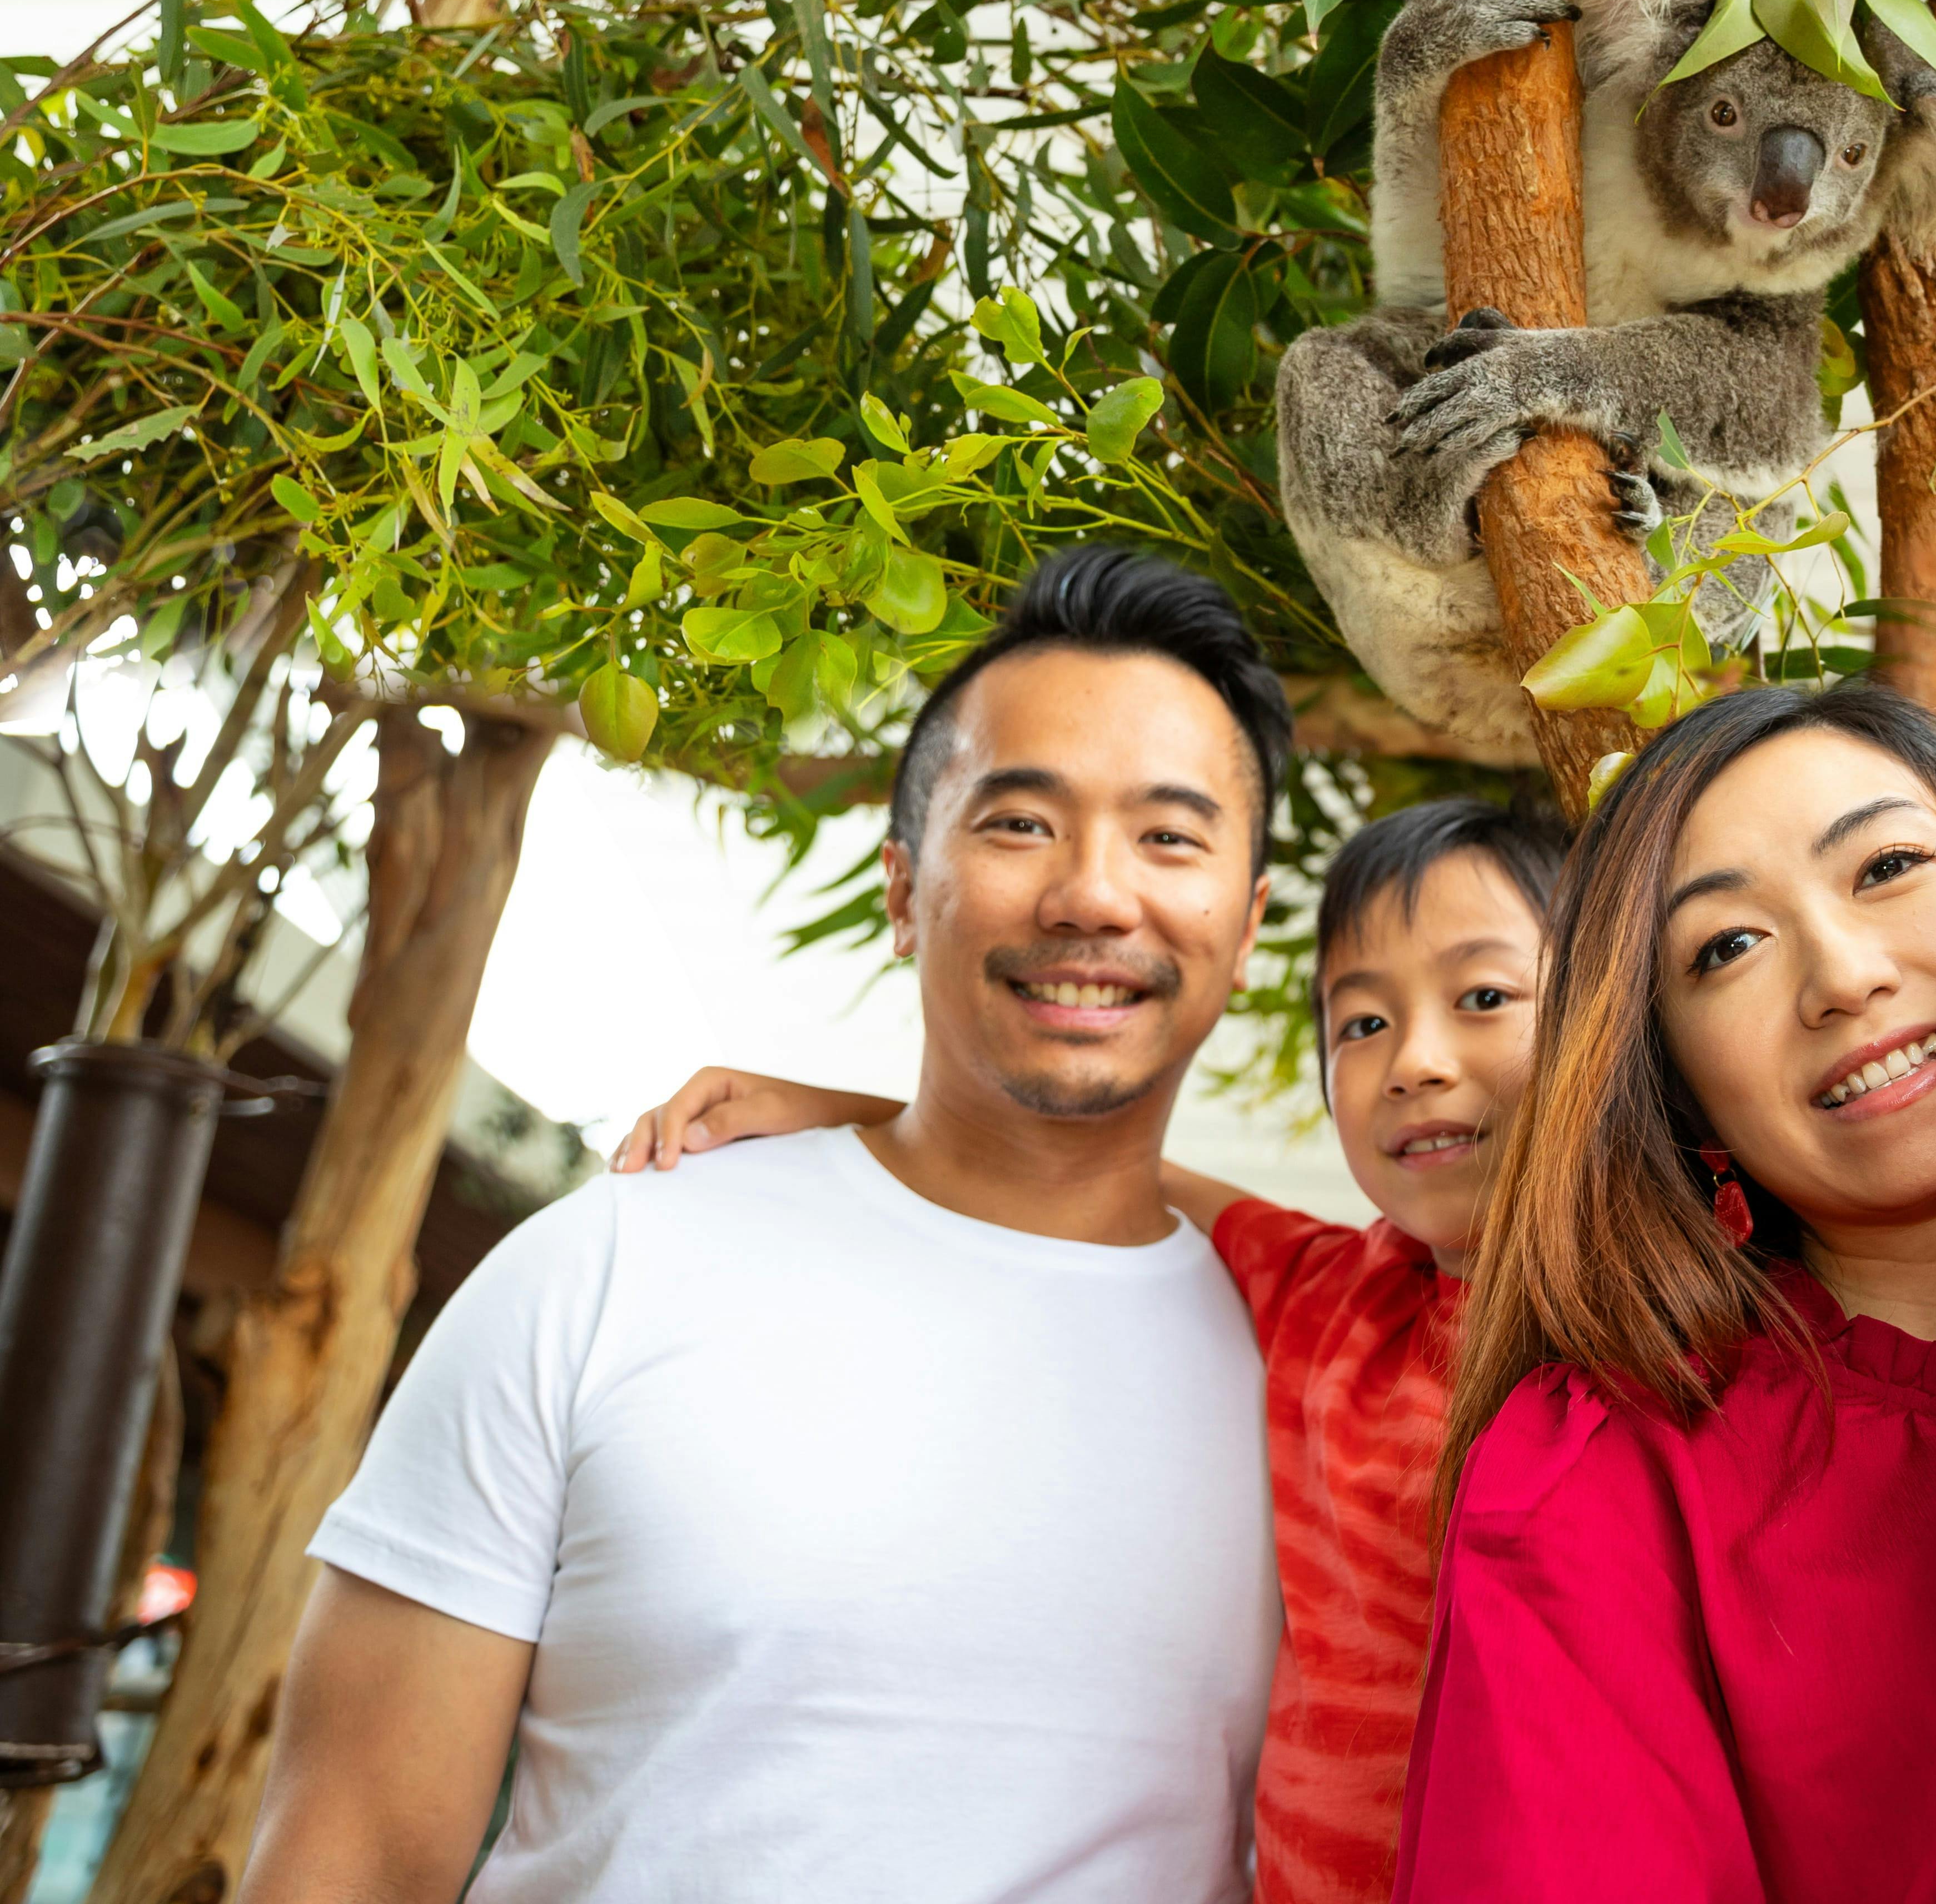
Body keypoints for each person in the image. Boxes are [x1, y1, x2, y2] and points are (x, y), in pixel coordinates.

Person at [235, 547, 1293, 1904]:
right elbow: (351, 1859)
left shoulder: (1313, 1375)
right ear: (907, 891)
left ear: (1247, 923)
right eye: (1022, 823)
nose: (1094, 893)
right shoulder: (612, 1264)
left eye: (1170, 836)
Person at [612, 794, 1565, 1904]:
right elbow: (1119, 1175)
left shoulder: (1677, 1334)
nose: (1415, 1061)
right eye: (1361, 1023)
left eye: (1485, 997)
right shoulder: (1337, 1300)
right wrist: (849, 1113)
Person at [1393, 684, 1936, 1904]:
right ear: (1685, 1105)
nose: (1842, 973)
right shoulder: (1603, 1473)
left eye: (1886, 865)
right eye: (1726, 947)